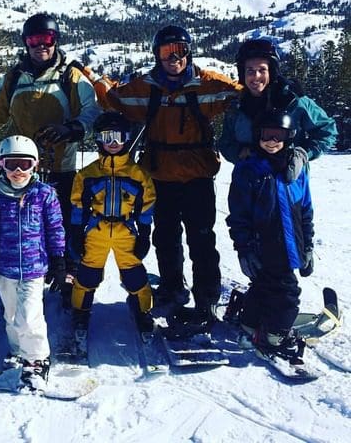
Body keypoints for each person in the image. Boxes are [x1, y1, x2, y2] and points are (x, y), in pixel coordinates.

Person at [0, 13, 100, 294]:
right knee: (19, 225)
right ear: (26, 43)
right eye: (34, 40)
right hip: (20, 168)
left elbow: (92, 111)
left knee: (62, 224)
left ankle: (67, 274)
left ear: (56, 40)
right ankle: (22, 276)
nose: (41, 45)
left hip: (59, 165)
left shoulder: (70, 75)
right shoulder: (15, 77)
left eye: (47, 39)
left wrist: (71, 129)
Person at [103, 25, 242, 330]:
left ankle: (206, 297)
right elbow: (114, 98)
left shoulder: (206, 84)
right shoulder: (147, 88)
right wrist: (92, 79)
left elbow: (242, 95)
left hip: (197, 175)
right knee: (165, 237)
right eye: (166, 52)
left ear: (188, 52)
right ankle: (171, 288)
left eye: (179, 50)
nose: (173, 58)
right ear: (157, 55)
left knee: (202, 238)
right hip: (160, 175)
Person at [0, 135, 66, 391]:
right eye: (11, 164)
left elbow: (56, 228)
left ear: (34, 166)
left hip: (35, 266)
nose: (17, 171)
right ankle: (17, 350)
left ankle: (36, 358)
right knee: (11, 313)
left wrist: (59, 260)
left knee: (29, 316)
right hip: (6, 267)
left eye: (24, 165)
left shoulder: (44, 194)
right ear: (0, 164)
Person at [226, 109, 314, 365]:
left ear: (289, 137)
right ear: (258, 136)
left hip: (291, 243)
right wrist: (244, 248)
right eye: (267, 135)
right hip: (263, 243)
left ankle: (250, 324)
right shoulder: (248, 170)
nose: (272, 141)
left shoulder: (296, 170)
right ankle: (276, 335)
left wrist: (307, 246)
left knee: (264, 286)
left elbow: (305, 209)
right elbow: (238, 215)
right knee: (286, 292)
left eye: (279, 136)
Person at [70, 112, 156, 333]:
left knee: (134, 274)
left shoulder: (138, 174)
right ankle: (80, 311)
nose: (113, 143)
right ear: (98, 139)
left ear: (127, 138)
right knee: (88, 273)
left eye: (118, 137)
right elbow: (78, 205)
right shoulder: (87, 174)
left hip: (125, 230)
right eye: (107, 137)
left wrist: (144, 234)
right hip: (96, 229)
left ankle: (143, 311)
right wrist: (77, 233)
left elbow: (146, 206)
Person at [219, 37, 337, 164]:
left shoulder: (292, 100)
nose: (256, 76)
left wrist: (303, 154)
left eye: (262, 70)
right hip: (248, 178)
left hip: (288, 179)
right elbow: (226, 143)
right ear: (243, 73)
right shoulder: (236, 106)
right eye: (250, 70)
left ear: (271, 72)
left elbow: (327, 130)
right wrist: (239, 152)